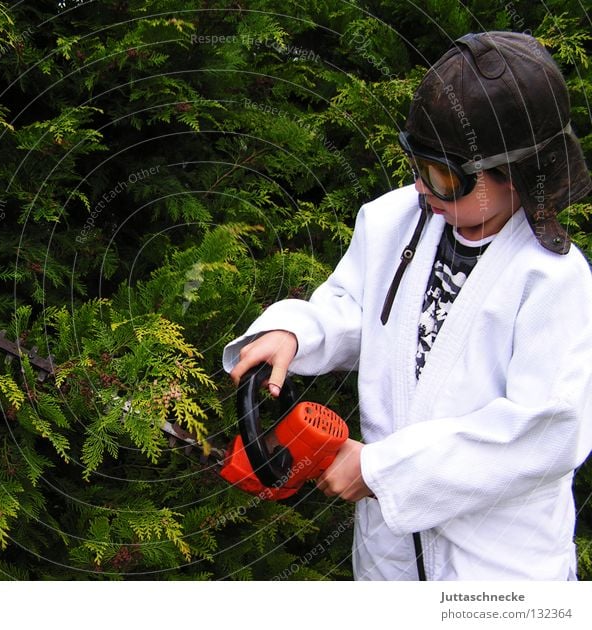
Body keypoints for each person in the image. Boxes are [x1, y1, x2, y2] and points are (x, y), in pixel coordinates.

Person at [223, 31, 592, 580]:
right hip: (390, 556)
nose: (423, 188)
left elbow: (544, 429)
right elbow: (351, 306)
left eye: (443, 175)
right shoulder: (393, 221)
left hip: (497, 568)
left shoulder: (551, 280)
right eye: (418, 164)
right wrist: (294, 333)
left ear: (520, 172)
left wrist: (383, 471)